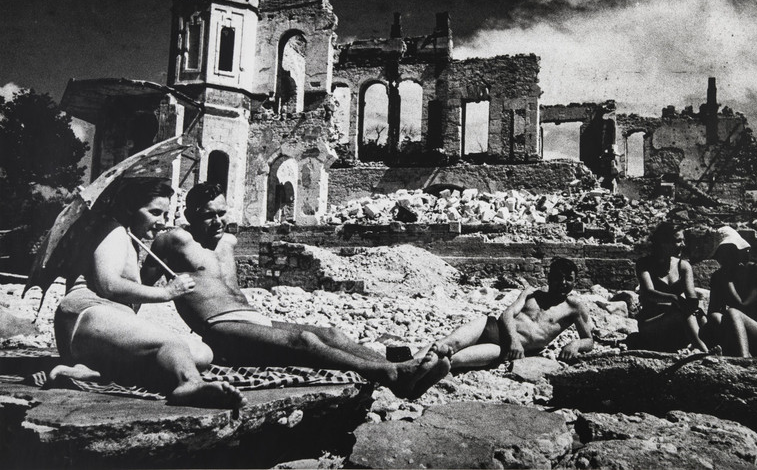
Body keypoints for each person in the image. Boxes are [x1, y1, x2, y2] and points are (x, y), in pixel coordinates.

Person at [141, 182, 451, 400]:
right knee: (304, 340)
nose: (219, 221)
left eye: (222, 212)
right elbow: (140, 283)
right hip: (220, 328)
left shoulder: (228, 243)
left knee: (331, 334)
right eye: (209, 215)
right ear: (191, 215)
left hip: (252, 318)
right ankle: (390, 375)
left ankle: (398, 372)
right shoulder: (174, 241)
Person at [51, 178, 246, 408]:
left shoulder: (129, 237)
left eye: (165, 214)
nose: (162, 222)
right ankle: (189, 383)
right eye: (154, 212)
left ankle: (95, 369)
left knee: (201, 353)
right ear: (130, 209)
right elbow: (108, 285)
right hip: (86, 315)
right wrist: (167, 292)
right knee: (170, 343)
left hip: (100, 327)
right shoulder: (112, 230)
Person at [416, 257, 594, 371]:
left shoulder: (574, 307)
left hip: (503, 349)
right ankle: (408, 363)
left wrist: (575, 344)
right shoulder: (531, 293)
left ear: (575, 281)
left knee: (454, 360)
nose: (563, 283)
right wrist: (515, 340)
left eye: (569, 279)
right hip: (491, 327)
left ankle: (415, 371)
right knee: (449, 342)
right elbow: (507, 313)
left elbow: (589, 340)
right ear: (549, 278)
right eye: (558, 278)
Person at [702, 226, 757, 357]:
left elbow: (743, 306)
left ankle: (743, 361)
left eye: (730, 252)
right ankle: (731, 353)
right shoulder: (719, 276)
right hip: (737, 330)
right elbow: (713, 311)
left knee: (732, 312)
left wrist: (728, 281)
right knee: (715, 318)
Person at [635, 222, 709, 352]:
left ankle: (713, 346)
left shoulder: (683, 266)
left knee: (699, 315)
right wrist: (674, 298)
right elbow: (648, 292)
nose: (683, 244)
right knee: (683, 312)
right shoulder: (644, 264)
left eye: (683, 240)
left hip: (677, 321)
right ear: (663, 243)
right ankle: (704, 351)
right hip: (652, 323)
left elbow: (691, 296)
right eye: (678, 241)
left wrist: (692, 304)